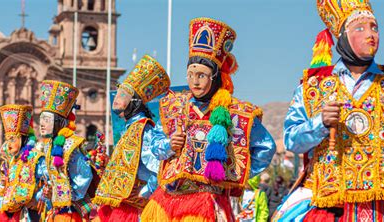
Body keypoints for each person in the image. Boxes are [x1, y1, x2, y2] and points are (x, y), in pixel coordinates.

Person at [273, 0, 384, 221]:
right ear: (342, 36)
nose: (371, 34)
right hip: (327, 206)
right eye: (360, 28)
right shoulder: (313, 86)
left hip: (379, 208)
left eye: (375, 27)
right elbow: (291, 140)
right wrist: (320, 123)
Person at [141, 17, 277, 221]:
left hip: (207, 203)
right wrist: (170, 145)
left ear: (216, 78)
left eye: (202, 75)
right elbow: (152, 146)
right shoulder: (174, 107)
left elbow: (266, 148)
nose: (194, 81)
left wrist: (233, 172)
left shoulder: (236, 112)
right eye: (190, 74)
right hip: (167, 201)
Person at [93, 55, 170, 222]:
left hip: (132, 211)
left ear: (134, 101)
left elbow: (159, 167)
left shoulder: (144, 129)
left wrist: (145, 191)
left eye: (122, 95)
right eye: (117, 93)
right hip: (118, 207)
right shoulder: (130, 129)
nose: (116, 98)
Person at [37, 80, 93, 221]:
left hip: (70, 213)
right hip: (55, 211)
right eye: (41, 119)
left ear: (58, 121)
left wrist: (64, 196)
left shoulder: (72, 145)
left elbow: (83, 178)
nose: (42, 124)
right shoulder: (48, 145)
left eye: (47, 120)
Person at [0, 104, 46, 221]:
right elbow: (2, 186)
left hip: (29, 214)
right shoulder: (9, 160)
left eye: (12, 139)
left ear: (22, 138)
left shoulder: (36, 157)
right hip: (9, 212)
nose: (9, 144)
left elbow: (50, 181)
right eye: (8, 140)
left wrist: (38, 198)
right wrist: (2, 202)